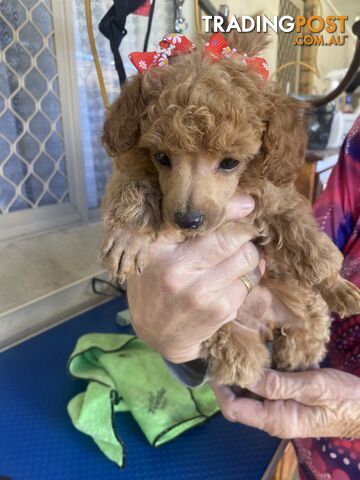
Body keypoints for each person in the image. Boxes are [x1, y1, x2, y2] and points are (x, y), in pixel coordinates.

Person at [127, 116, 360, 480]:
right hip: (300, 443)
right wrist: (177, 344)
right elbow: (310, 245)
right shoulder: (358, 141)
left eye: (228, 161)